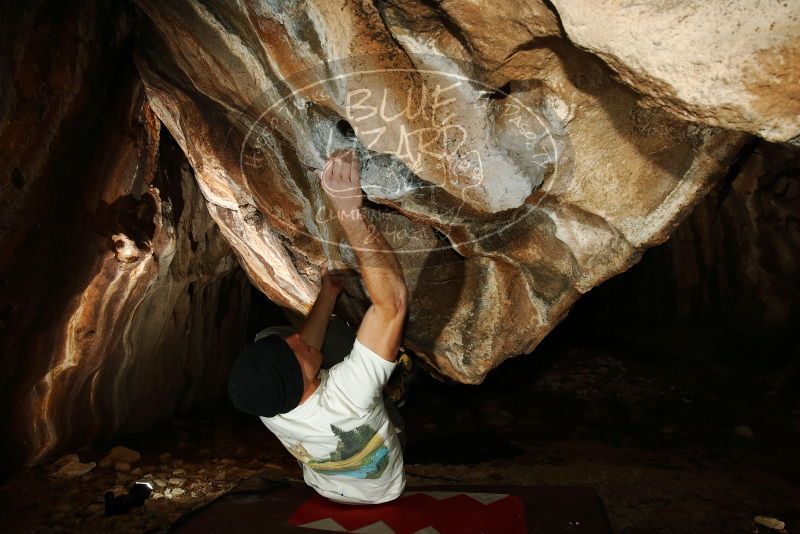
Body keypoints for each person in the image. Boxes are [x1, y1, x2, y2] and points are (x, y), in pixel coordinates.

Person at [227, 148, 409, 504]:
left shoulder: (269, 408)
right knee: (371, 387)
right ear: (301, 384)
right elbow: (393, 304)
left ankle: (370, 375)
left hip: (327, 489)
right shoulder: (348, 400)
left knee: (269, 337)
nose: (297, 337)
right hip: (386, 489)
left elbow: (293, 357)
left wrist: (328, 293)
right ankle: (395, 391)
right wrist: (347, 210)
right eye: (296, 350)